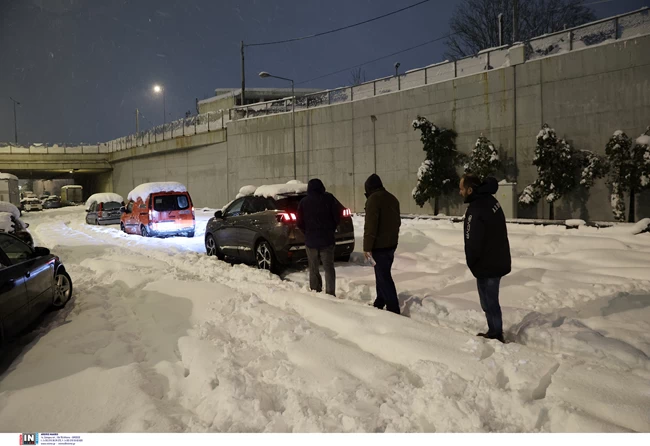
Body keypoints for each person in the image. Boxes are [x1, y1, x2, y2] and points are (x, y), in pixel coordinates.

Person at [459, 174, 511, 343]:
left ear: (470, 189)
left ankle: (496, 334)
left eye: (461, 189)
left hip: (487, 265)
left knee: (489, 302)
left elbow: (472, 240)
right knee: (490, 301)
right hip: (496, 259)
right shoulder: (491, 201)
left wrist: (471, 262)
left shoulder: (476, 209)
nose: (460, 192)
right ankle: (494, 330)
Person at [297, 179, 343, 296]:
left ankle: (315, 290)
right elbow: (337, 217)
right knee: (329, 268)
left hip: (311, 240)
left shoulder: (304, 202)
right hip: (327, 240)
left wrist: (307, 232)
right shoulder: (329, 198)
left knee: (313, 268)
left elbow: (299, 222)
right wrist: (331, 229)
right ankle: (330, 292)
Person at [363, 174, 401, 314]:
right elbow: (397, 222)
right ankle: (380, 301)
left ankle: (393, 308)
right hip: (391, 244)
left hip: (379, 246)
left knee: (384, 276)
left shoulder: (373, 200)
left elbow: (370, 227)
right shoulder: (392, 198)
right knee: (381, 274)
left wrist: (367, 247)